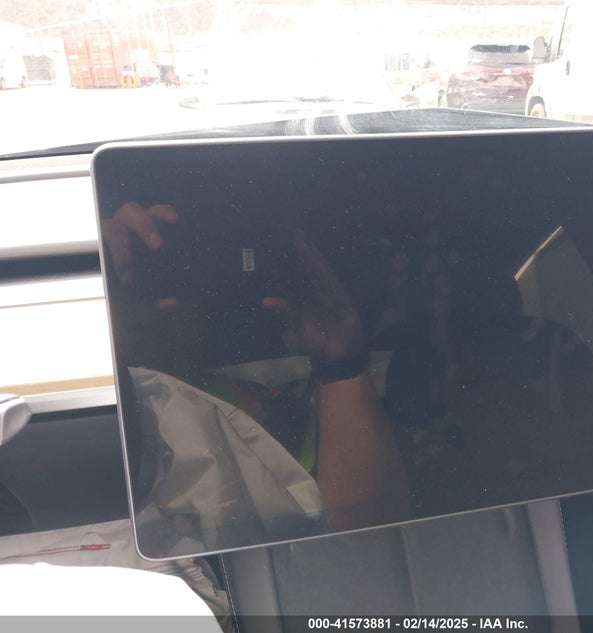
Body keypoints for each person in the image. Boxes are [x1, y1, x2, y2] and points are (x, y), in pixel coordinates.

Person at [101, 202, 411, 556]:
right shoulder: (109, 400)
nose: (168, 301)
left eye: (189, 272)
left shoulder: (286, 406)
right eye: (149, 274)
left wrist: (340, 365)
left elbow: (365, 551)